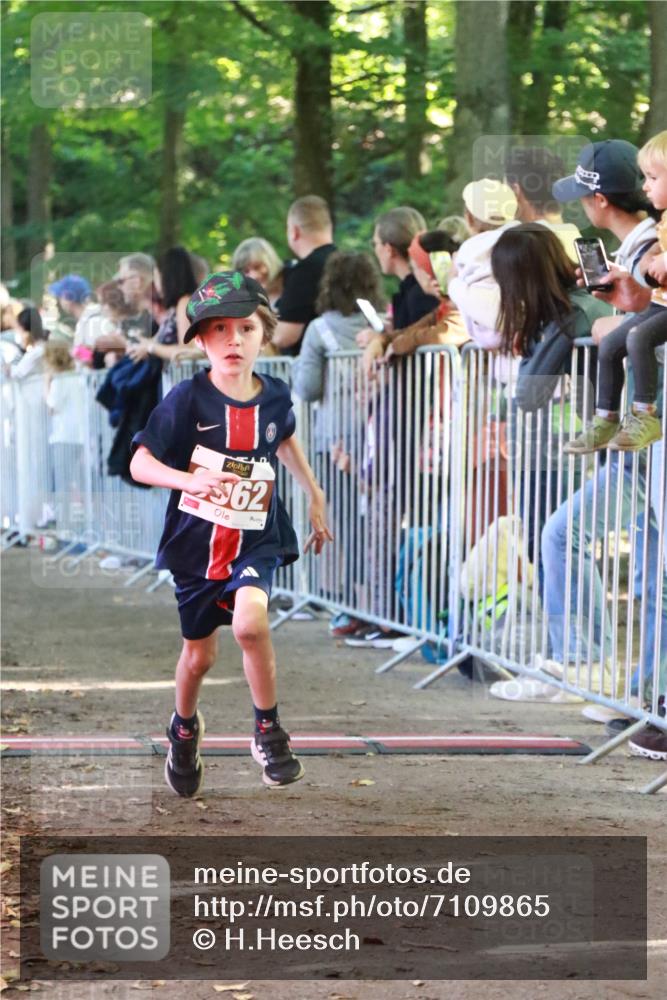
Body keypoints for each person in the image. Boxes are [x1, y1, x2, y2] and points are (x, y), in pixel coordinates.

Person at [129, 271, 332, 795]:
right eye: (218, 330)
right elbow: (140, 463)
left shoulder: (275, 396)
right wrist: (189, 480)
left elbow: (283, 439)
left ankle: (268, 731)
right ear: (200, 341)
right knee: (200, 657)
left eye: (245, 328)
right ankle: (182, 730)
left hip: (255, 535)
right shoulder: (186, 399)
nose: (233, 341)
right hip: (197, 545)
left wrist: (314, 492)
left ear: (265, 334)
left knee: (249, 625)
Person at [564, 130, 667, 454]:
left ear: (600, 200)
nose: (646, 186)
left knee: (633, 336)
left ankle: (644, 415)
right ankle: (606, 418)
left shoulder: (649, 239)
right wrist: (637, 296)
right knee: (612, 343)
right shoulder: (657, 230)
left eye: (653, 178)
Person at [357, 206, 439, 349]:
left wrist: (384, 340)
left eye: (375, 244)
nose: (375, 250)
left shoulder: (420, 294)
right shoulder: (413, 291)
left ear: (389, 249)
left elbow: (421, 340)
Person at [272, 196, 336, 355]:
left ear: (294, 231)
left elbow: (284, 336)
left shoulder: (305, 272)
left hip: (313, 364)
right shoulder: (351, 264)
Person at [126, 247, 202, 365]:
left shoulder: (185, 302)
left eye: (156, 276)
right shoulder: (174, 307)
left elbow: (187, 350)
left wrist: (151, 348)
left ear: (166, 277)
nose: (156, 283)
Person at [47, 274, 113, 350]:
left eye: (60, 297)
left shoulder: (93, 322)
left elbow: (96, 354)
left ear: (67, 299)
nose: (60, 301)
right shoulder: (90, 318)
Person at [114, 252, 157, 340]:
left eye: (121, 281)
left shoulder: (160, 318)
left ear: (136, 282)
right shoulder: (131, 319)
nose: (118, 287)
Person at [232, 237, 284, 307]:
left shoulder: (293, 283)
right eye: (246, 271)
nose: (254, 276)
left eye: (257, 267)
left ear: (270, 262)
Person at [11, 307, 49, 380]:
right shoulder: (42, 347)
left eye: (18, 329)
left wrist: (8, 369)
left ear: (25, 331)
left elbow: (15, 375)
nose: (17, 332)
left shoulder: (35, 353)